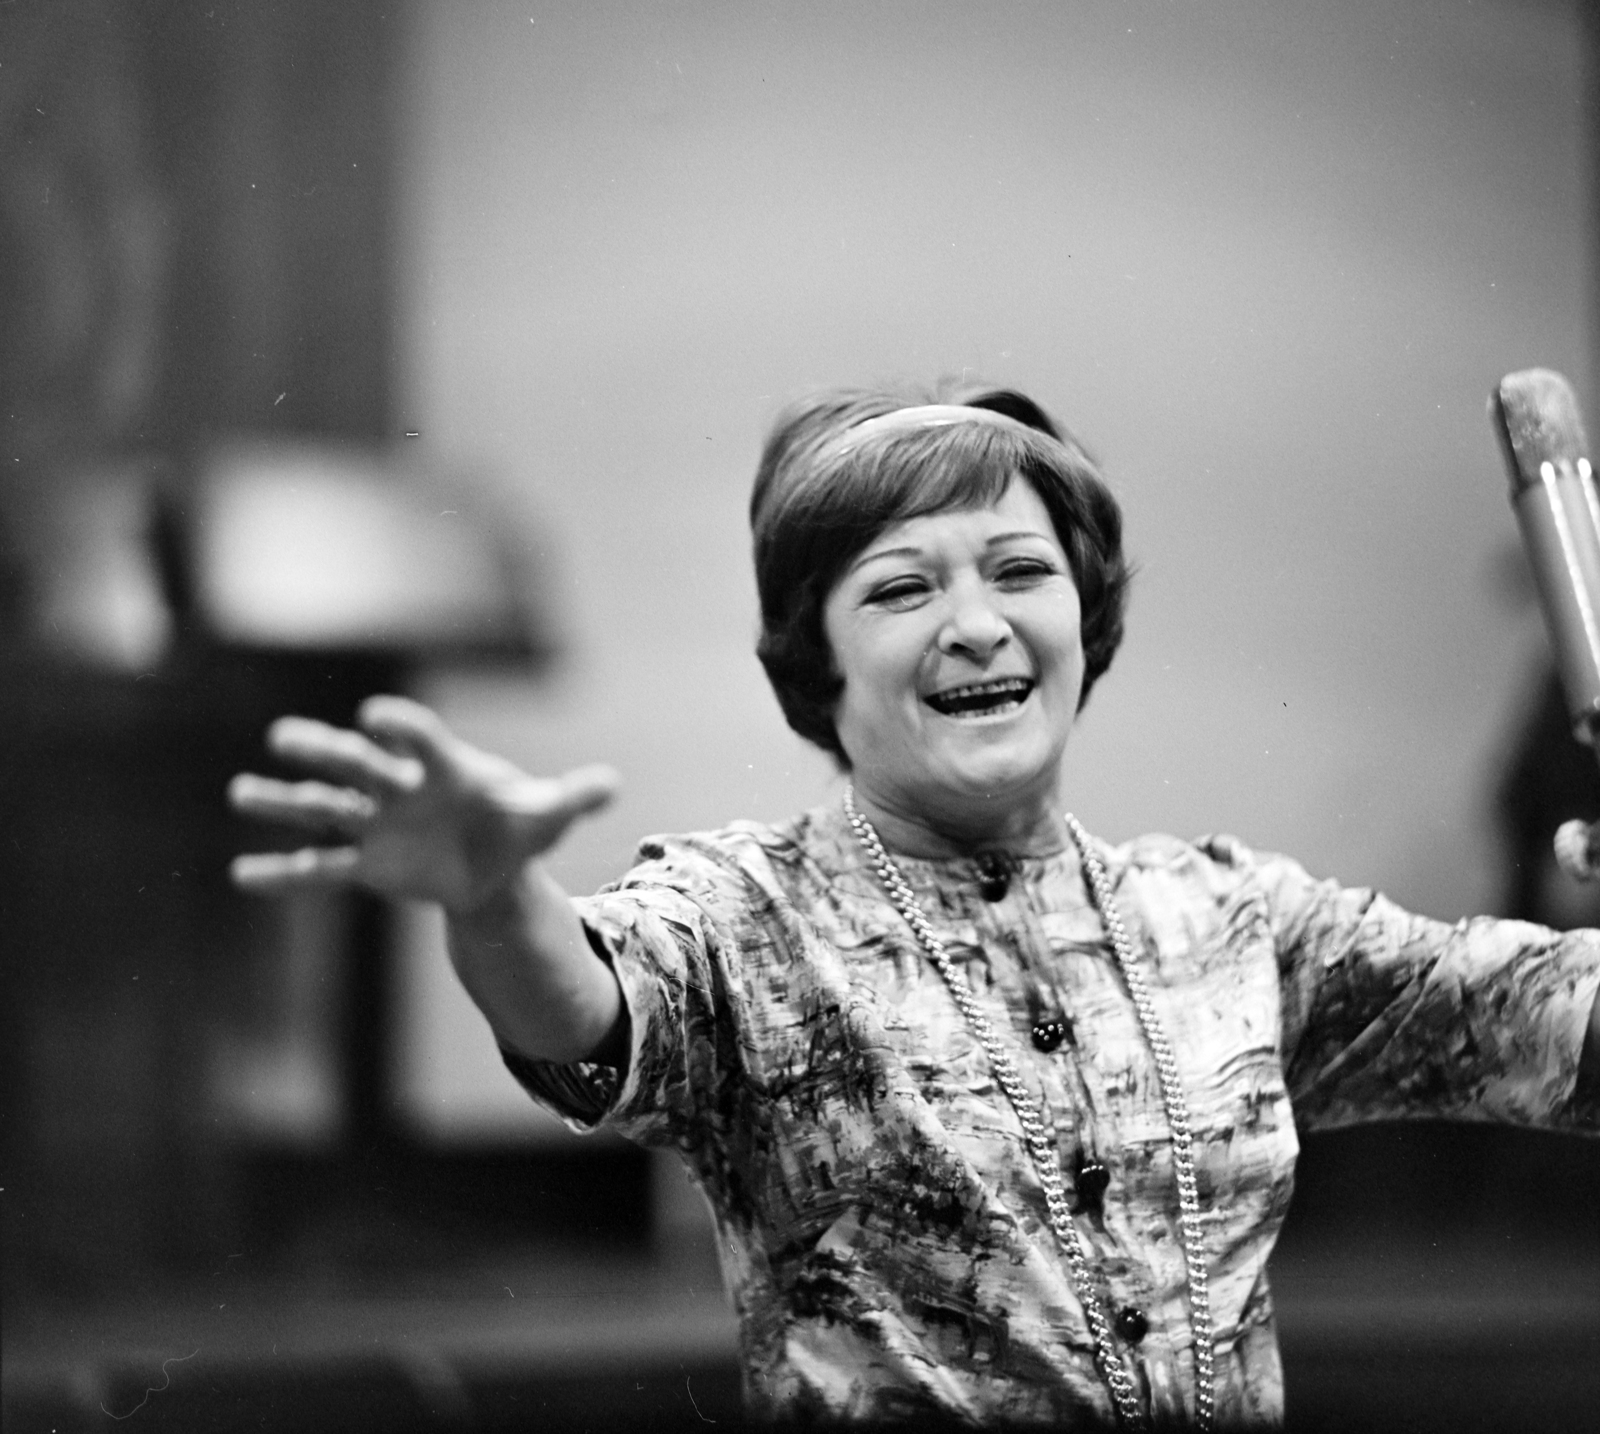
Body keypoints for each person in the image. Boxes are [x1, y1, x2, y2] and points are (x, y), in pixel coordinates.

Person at [230, 385, 1600, 1431]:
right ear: (816, 664)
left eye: (1019, 570)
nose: (977, 622)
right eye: (902, 587)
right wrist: (490, 897)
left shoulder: (1232, 919)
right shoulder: (750, 914)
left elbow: (1554, 1025)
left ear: (1086, 618)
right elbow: (590, 1010)